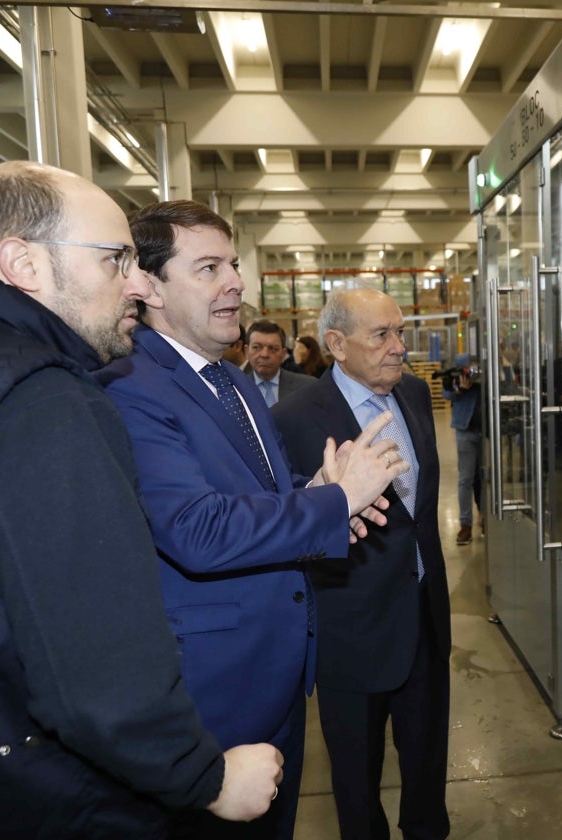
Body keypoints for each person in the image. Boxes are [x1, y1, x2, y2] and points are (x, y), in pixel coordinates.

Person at [0, 161, 282, 838]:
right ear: (23, 263)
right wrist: (201, 775)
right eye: (115, 259)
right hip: (27, 799)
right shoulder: (41, 399)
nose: (135, 283)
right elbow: (96, 665)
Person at [101, 200, 407, 840]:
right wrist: (332, 504)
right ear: (149, 285)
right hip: (212, 695)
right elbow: (197, 528)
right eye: (208, 267)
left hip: (276, 681)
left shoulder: (233, 381)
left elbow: (258, 492)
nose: (235, 282)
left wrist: (320, 487)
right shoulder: (132, 386)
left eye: (233, 265)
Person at [273, 288, 452, 840]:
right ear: (336, 344)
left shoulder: (416, 395)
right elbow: (285, 522)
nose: (400, 347)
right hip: (351, 629)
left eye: (400, 332)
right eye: (382, 335)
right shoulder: (292, 418)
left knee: (427, 767)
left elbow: (417, 515)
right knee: (355, 778)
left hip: (425, 617)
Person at [443, 353, 484, 545]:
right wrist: (460, 388)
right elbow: (446, 393)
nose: (472, 372)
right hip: (465, 431)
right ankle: (465, 525)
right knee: (466, 479)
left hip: (487, 432)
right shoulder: (457, 373)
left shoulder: (490, 368)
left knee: (484, 478)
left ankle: (485, 519)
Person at [244, 319, 317, 407]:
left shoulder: (307, 387)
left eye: (273, 349)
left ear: (283, 354)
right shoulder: (235, 389)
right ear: (247, 351)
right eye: (257, 347)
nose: (265, 354)